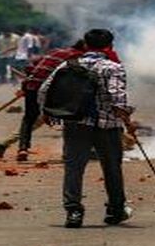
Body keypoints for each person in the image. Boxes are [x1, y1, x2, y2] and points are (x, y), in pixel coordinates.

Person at [38, 29, 134, 229]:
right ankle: (115, 210)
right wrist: (127, 119)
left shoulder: (68, 65)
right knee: (112, 168)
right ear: (109, 46)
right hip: (107, 126)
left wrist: (47, 112)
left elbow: (44, 90)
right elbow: (118, 99)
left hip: (75, 124)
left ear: (86, 45)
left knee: (74, 168)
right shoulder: (113, 67)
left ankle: (73, 211)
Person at [0, 40, 86, 162]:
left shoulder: (56, 51)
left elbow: (31, 67)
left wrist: (26, 86)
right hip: (48, 90)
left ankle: (21, 148)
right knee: (66, 118)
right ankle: (68, 152)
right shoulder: (77, 57)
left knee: (29, 119)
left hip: (32, 86)